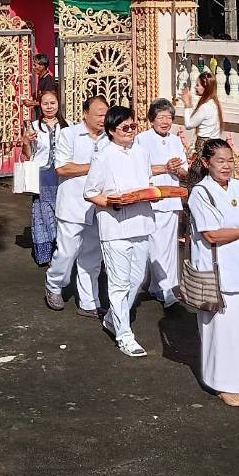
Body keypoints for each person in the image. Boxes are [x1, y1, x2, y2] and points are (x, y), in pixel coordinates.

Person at [188, 138, 239, 405]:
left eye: (229, 160)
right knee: (222, 331)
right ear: (206, 163)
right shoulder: (201, 192)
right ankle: (221, 382)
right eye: (219, 160)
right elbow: (211, 234)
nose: (226, 166)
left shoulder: (238, 188)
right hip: (217, 271)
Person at [84, 105, 158, 358]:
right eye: (124, 128)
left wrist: (152, 194)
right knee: (118, 283)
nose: (130, 131)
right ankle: (125, 336)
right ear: (112, 131)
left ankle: (114, 320)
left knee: (137, 279)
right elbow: (90, 192)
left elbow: (147, 183)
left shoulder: (141, 152)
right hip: (115, 226)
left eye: (133, 126)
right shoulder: (103, 156)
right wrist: (112, 202)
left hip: (141, 223)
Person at [44, 96, 108, 315]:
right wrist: (95, 167)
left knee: (92, 255)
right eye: (99, 114)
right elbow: (62, 168)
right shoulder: (69, 134)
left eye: (105, 114)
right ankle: (54, 284)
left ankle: (89, 302)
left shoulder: (109, 138)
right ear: (85, 114)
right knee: (67, 252)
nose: (103, 119)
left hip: (98, 206)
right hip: (73, 204)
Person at [134, 98, 186, 307]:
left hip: (172, 198)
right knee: (155, 244)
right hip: (152, 197)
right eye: (161, 117)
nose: (165, 121)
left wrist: (176, 169)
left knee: (169, 246)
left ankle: (162, 287)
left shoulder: (175, 140)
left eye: (169, 117)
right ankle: (165, 288)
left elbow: (184, 169)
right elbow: (138, 168)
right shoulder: (141, 139)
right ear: (152, 119)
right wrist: (164, 168)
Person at [22, 86, 67, 266]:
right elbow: (28, 154)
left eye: (52, 103)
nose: (49, 107)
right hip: (42, 174)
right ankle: (46, 254)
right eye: (45, 103)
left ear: (58, 104)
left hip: (63, 175)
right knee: (43, 214)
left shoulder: (68, 125)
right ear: (40, 105)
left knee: (63, 213)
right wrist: (26, 141)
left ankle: (62, 252)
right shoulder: (33, 126)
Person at [182, 70, 223, 182]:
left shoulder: (206, 107)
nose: (195, 87)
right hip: (213, 144)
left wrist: (187, 104)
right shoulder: (214, 105)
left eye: (198, 85)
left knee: (196, 178)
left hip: (203, 145)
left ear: (206, 88)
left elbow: (189, 124)